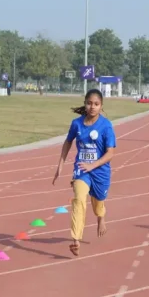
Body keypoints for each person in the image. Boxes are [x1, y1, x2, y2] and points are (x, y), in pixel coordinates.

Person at [53, 89, 116, 257]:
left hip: (100, 171)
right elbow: (67, 142)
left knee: (98, 202)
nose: (92, 107)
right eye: (89, 103)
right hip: (81, 170)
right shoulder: (77, 124)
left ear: (101, 106)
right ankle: (76, 239)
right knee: (79, 200)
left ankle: (101, 217)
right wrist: (60, 165)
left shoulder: (106, 126)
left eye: (96, 104)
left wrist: (93, 165)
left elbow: (110, 153)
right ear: (85, 104)